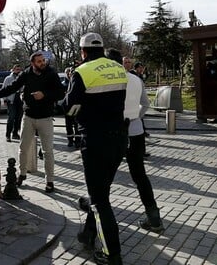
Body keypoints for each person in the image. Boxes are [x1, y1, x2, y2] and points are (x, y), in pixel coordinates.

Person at [65, 33, 127, 265]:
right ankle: (89, 233)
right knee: (101, 191)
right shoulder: (118, 68)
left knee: (100, 200)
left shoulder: (83, 71)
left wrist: (74, 109)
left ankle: (113, 254)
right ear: (101, 48)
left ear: (83, 51)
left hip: (95, 140)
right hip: (119, 138)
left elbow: (70, 108)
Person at [107, 49, 164, 233]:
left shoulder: (109, 79)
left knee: (104, 176)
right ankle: (153, 216)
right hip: (135, 129)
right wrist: (135, 117)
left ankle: (95, 221)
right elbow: (145, 103)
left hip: (114, 131)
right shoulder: (136, 79)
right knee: (139, 174)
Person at [0, 51, 65, 193]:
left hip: (45, 117)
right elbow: (14, 86)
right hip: (28, 116)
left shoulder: (51, 73)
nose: (42, 63)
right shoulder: (27, 73)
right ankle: (21, 174)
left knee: (48, 151)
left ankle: (50, 181)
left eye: (43, 60)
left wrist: (44, 95)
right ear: (32, 63)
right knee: (23, 148)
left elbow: (60, 93)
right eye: (39, 61)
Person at [3, 64, 23, 142]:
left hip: (19, 100)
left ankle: (15, 133)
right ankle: (8, 135)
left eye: (19, 69)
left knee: (18, 118)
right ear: (13, 70)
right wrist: (5, 99)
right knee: (11, 117)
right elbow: (4, 88)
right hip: (11, 100)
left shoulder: (21, 78)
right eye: (17, 69)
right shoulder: (8, 78)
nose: (18, 71)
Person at [63, 67, 79, 148]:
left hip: (76, 106)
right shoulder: (64, 83)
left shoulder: (77, 81)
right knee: (68, 125)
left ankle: (77, 141)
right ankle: (70, 140)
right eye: (68, 72)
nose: (70, 74)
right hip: (67, 106)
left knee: (76, 125)